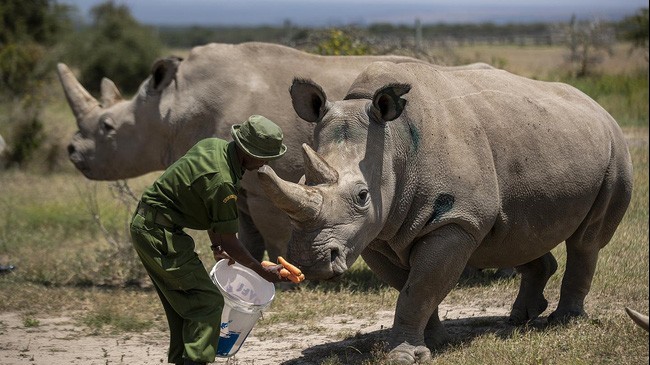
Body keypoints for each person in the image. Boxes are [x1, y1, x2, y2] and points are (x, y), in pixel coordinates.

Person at [129, 115, 288, 365]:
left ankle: (185, 359)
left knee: (185, 304)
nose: (266, 162)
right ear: (248, 151)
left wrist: (216, 246)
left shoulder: (214, 146)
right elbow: (231, 242)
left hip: (153, 226)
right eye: (264, 156)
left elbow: (209, 211)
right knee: (207, 303)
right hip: (159, 234)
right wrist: (261, 271)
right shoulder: (222, 181)